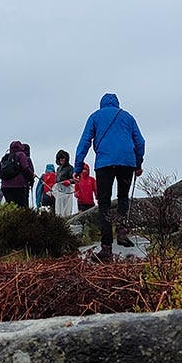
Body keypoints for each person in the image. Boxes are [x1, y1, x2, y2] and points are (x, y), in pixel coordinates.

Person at [74, 93, 146, 260]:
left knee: (104, 202)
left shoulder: (95, 117)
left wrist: (78, 166)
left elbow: (85, 141)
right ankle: (121, 231)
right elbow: (140, 142)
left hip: (104, 162)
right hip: (127, 162)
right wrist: (138, 163)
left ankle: (106, 248)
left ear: (102, 104)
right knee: (123, 197)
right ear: (117, 104)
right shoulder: (127, 117)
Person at [0, 140, 35, 207]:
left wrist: (6, 180)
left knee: (10, 207)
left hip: (5, 187)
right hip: (19, 186)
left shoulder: (6, 157)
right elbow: (25, 168)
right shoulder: (21, 155)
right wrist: (32, 175)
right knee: (22, 208)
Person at [53, 150, 75, 218]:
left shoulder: (70, 168)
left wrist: (69, 181)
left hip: (67, 192)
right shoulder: (58, 169)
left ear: (66, 159)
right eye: (60, 158)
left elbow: (74, 179)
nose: (61, 160)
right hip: (59, 192)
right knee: (59, 209)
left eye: (63, 158)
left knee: (67, 209)